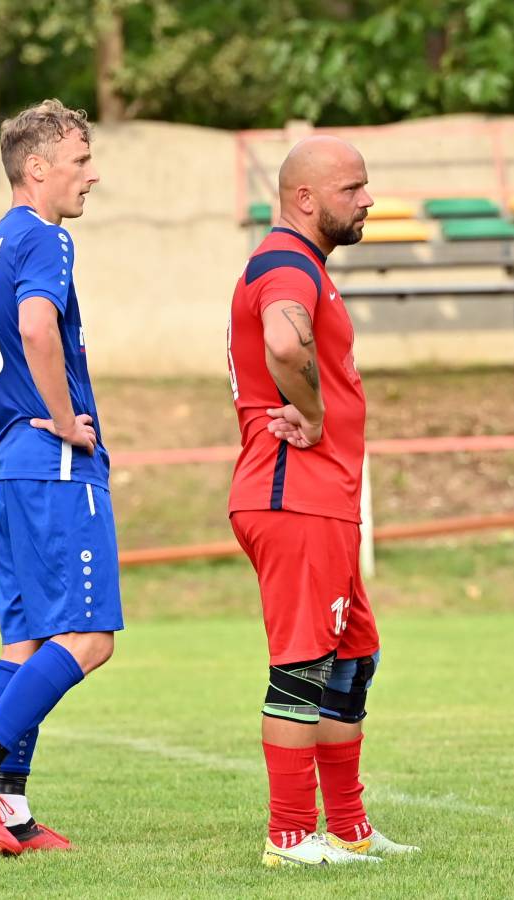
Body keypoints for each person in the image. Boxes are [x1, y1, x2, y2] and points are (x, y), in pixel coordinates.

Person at [0, 99, 123, 855]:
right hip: (55, 468)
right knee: (89, 637)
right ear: (36, 168)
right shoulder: (45, 237)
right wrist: (65, 422)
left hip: (11, 471)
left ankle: (4, 807)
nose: (92, 175)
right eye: (81, 160)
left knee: (28, 641)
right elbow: (38, 327)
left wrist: (1, 439)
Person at [227, 135, 419, 867]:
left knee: (352, 660)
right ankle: (287, 836)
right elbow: (284, 343)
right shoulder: (285, 261)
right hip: (293, 495)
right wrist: (309, 413)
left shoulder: (302, 263)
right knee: (303, 667)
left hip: (321, 499)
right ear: (304, 198)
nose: (367, 199)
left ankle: (346, 827)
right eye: (352, 188)